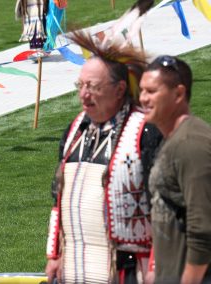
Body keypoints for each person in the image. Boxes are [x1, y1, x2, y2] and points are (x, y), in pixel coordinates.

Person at [45, 31, 162, 284]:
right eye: (81, 85)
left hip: (128, 271)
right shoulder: (75, 129)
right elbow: (58, 197)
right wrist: (53, 254)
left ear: (120, 90)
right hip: (75, 265)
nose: (84, 95)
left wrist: (156, 264)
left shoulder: (145, 132)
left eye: (93, 87)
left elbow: (165, 206)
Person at [140, 55, 211, 283]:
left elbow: (203, 228)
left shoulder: (191, 143)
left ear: (179, 94)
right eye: (142, 91)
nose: (143, 99)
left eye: (151, 91)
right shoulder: (171, 140)